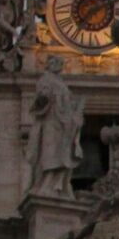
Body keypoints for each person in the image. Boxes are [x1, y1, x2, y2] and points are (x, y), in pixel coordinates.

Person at [27, 58, 86, 199]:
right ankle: (48, 184)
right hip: (53, 123)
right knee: (51, 153)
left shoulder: (61, 83)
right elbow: (41, 100)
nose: (58, 66)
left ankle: (57, 185)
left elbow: (67, 104)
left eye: (60, 63)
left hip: (64, 125)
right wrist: (43, 99)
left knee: (62, 154)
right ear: (48, 65)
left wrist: (75, 112)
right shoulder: (45, 80)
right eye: (54, 63)